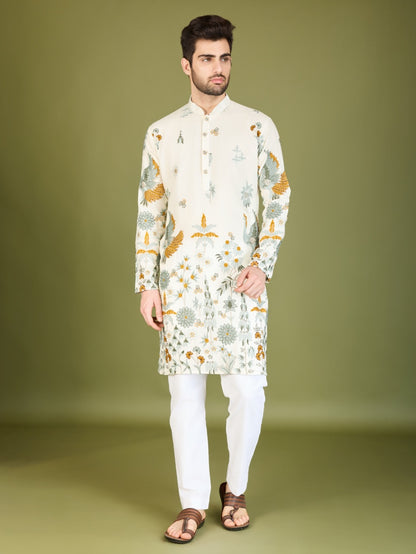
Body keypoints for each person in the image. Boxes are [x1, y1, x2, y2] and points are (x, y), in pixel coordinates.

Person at [134, 14, 291, 544]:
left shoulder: (257, 126)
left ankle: (236, 489)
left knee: (247, 392)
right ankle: (192, 502)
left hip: (240, 282)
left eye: (224, 57)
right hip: (179, 283)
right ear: (187, 65)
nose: (218, 68)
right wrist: (147, 283)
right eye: (207, 59)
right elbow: (150, 211)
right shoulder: (161, 133)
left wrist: (263, 263)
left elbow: (279, 196)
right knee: (185, 399)